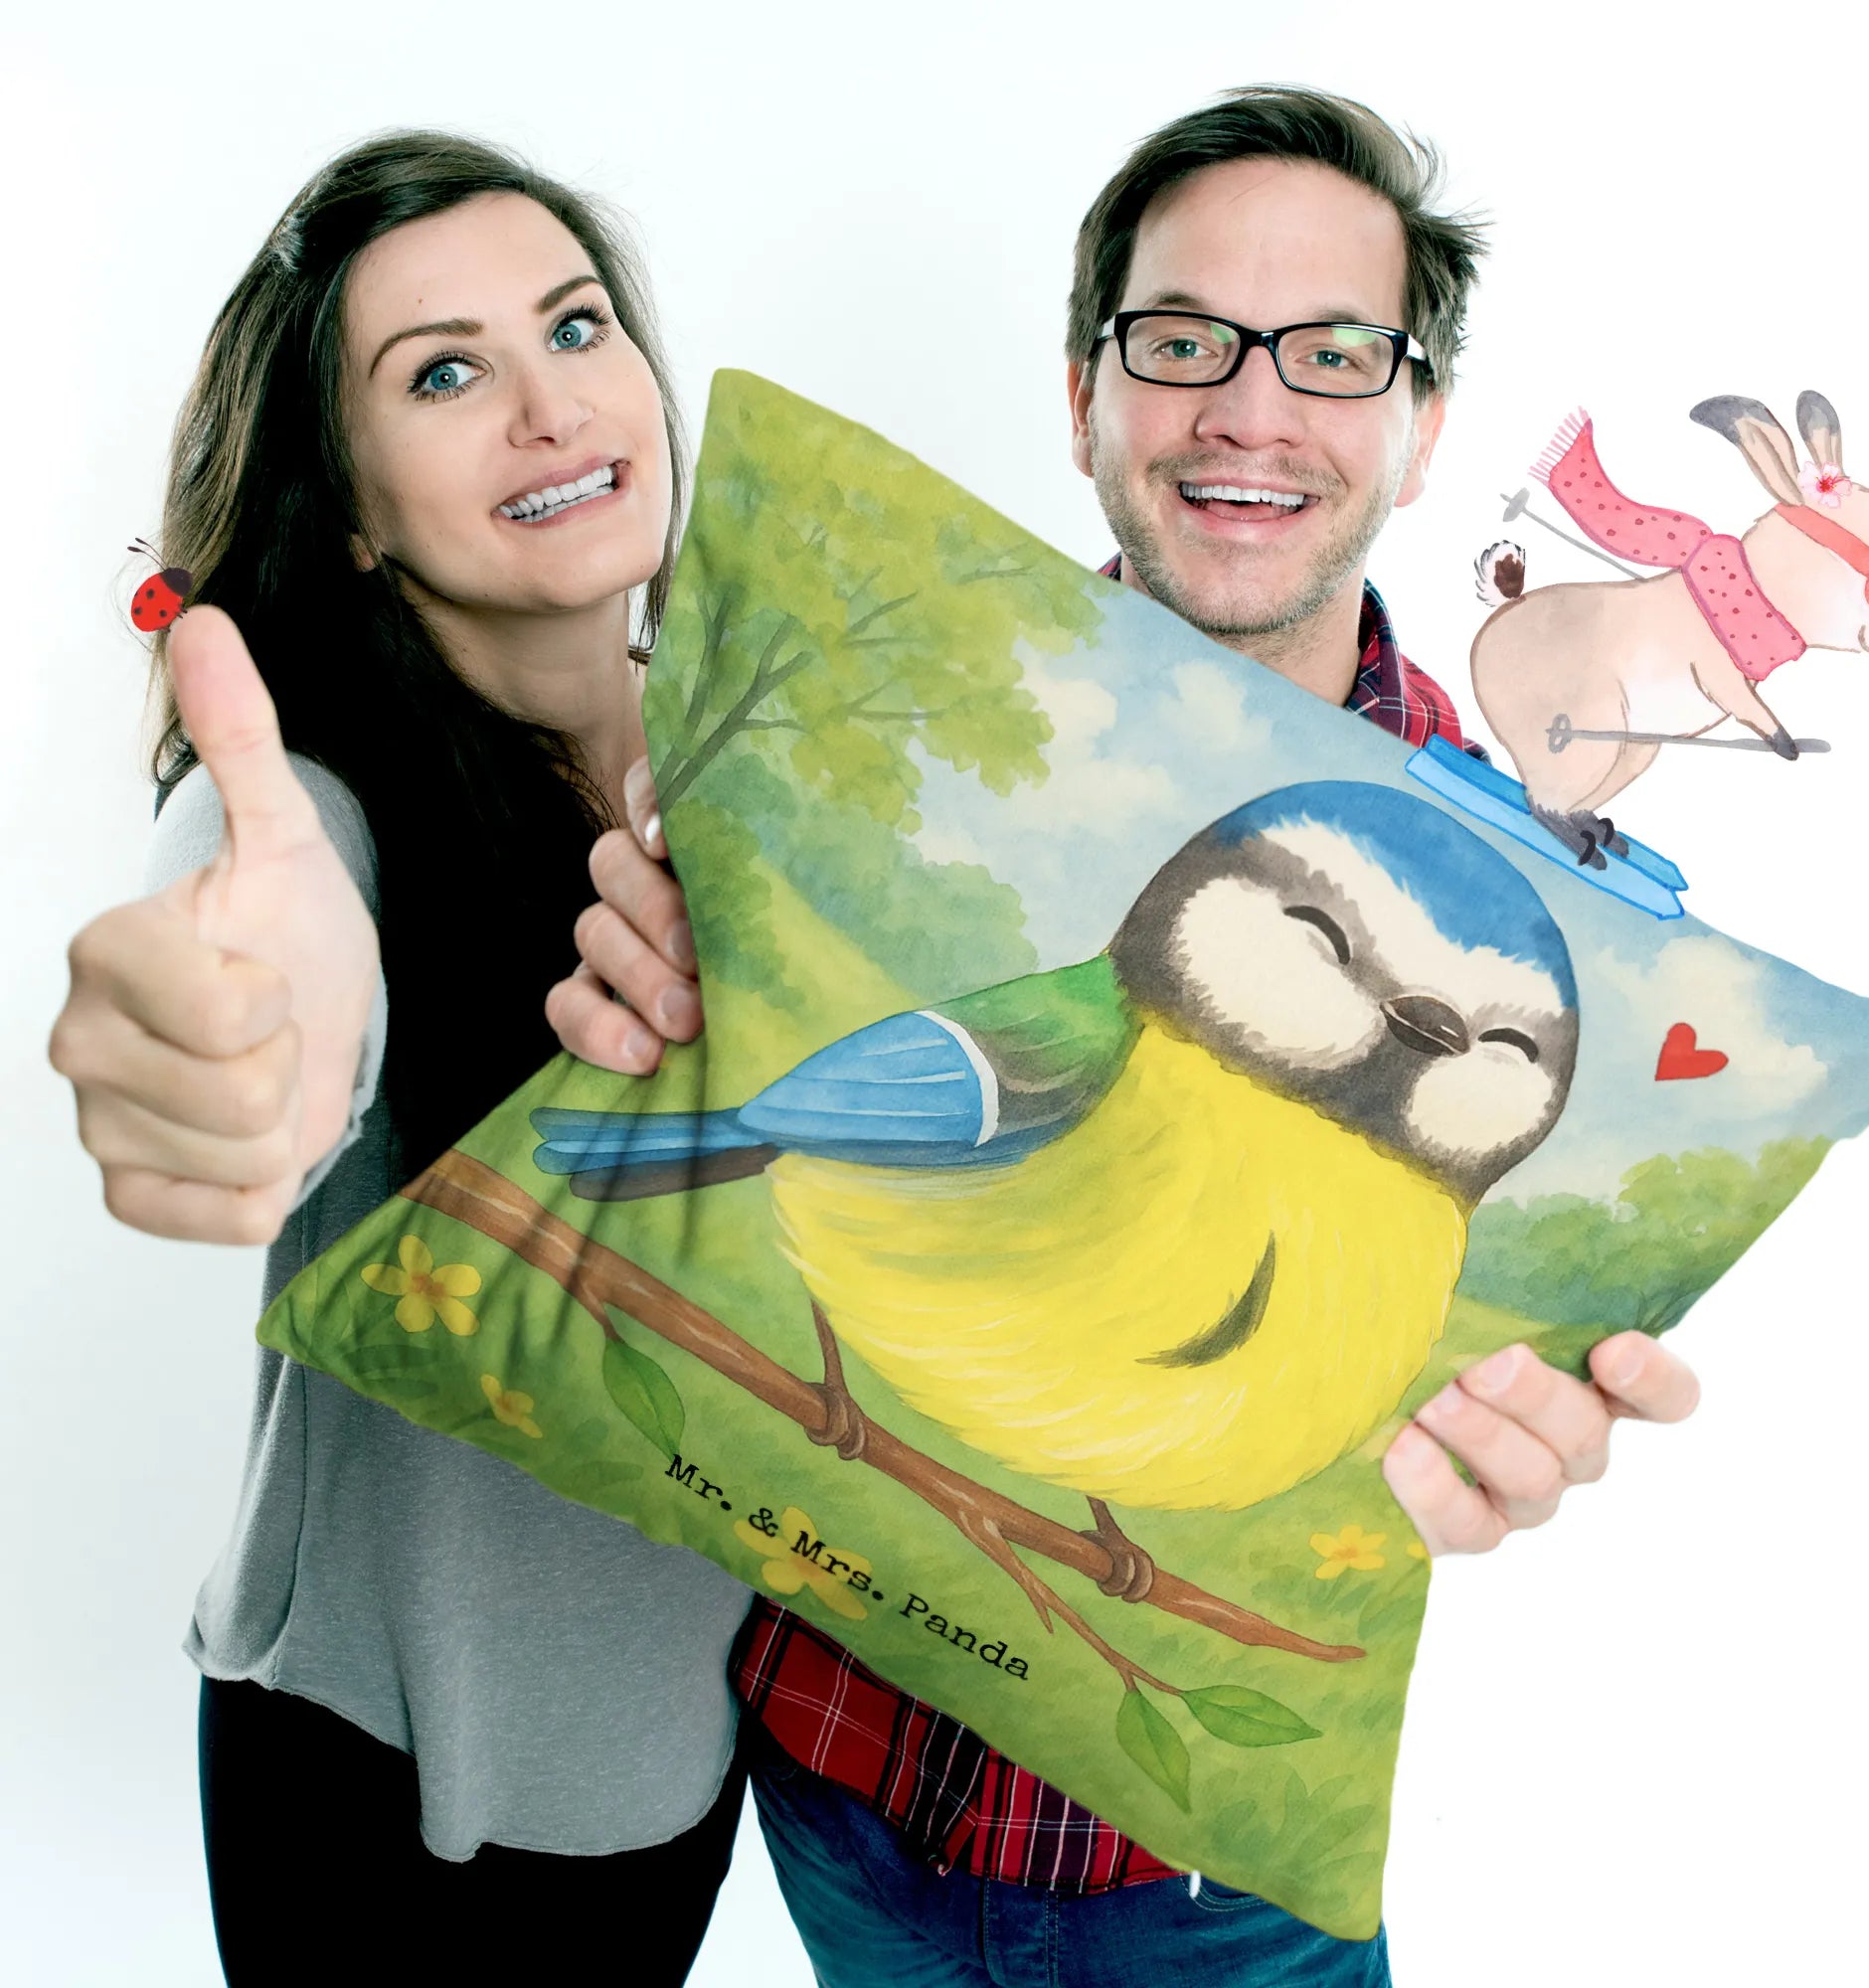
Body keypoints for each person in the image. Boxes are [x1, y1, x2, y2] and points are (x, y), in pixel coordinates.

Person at [551, 87, 1703, 1985]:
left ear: (1420, 430)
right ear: (1085, 394)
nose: (1251, 409)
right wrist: (648, 998)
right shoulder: (864, 737)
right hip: (829, 1783)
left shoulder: (1552, 925)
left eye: (1335, 353)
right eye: (1183, 342)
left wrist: (1524, 1423)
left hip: (1215, 1875)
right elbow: (728, 1175)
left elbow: (1445, 1373)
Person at [46, 134, 751, 1983]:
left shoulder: (752, 767)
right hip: (392, 1797)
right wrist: (229, 1030)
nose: (548, 406)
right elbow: (261, 932)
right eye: (443, 373)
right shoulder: (317, 805)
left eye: (575, 327)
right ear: (352, 510)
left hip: (681, 1759)